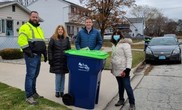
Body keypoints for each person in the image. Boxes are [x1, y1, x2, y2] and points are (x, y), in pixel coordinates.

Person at [17, 11, 47, 105]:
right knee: (30, 76)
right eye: (33, 17)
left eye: (36, 17)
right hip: (31, 56)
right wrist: (29, 52)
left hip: (38, 56)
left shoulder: (39, 28)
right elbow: (21, 41)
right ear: (30, 17)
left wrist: (44, 53)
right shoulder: (25, 27)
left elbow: (42, 42)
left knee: (35, 75)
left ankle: (34, 93)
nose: (35, 18)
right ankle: (29, 96)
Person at [110, 30, 135, 110]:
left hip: (123, 69)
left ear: (121, 35)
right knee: (120, 86)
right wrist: (111, 68)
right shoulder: (113, 45)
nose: (116, 36)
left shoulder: (125, 44)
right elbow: (113, 57)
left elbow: (129, 57)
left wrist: (127, 69)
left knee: (127, 86)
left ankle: (132, 103)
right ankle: (121, 100)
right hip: (116, 68)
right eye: (114, 34)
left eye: (118, 34)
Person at [48, 25, 71, 98]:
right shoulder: (53, 39)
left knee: (63, 76)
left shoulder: (66, 39)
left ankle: (62, 91)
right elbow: (49, 50)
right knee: (58, 76)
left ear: (63, 31)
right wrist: (50, 59)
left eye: (62, 29)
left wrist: (69, 60)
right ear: (57, 30)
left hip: (64, 61)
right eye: (59, 29)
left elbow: (69, 50)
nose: (60, 30)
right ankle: (57, 91)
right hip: (56, 60)